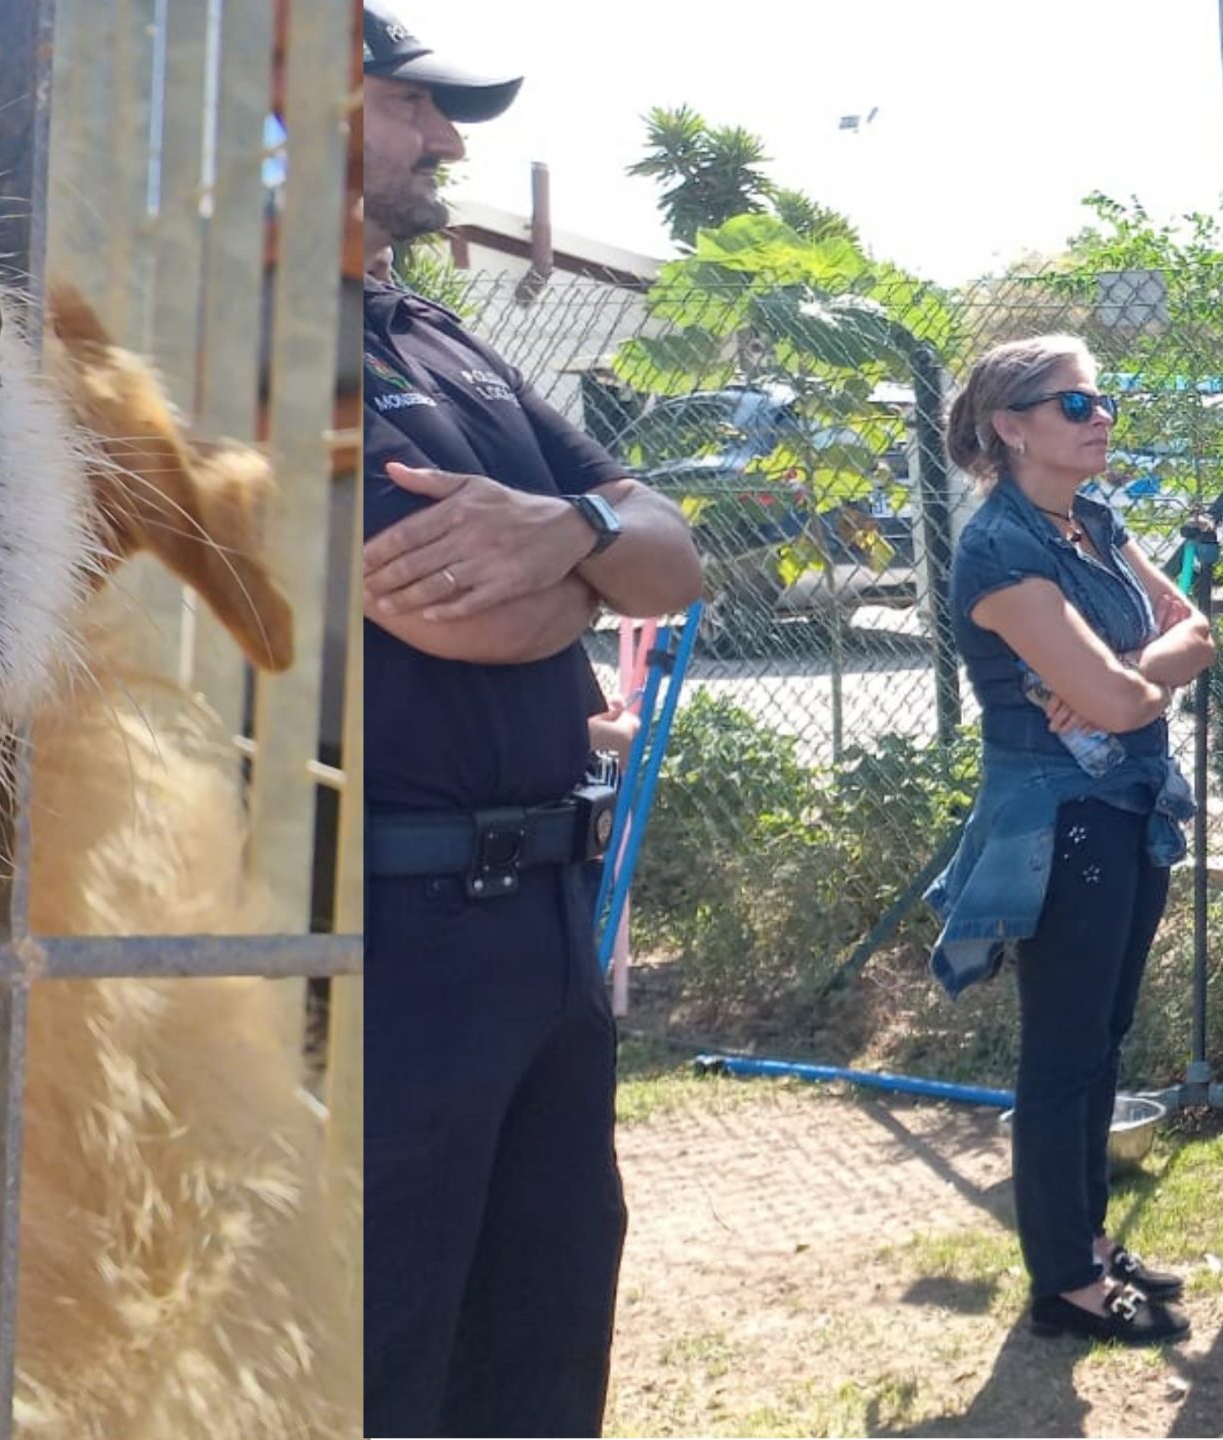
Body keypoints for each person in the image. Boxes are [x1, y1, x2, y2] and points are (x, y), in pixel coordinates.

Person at [358, 4, 705, 1434]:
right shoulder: (244, 329)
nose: (445, 140)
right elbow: (462, 612)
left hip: (547, 929)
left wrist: (557, 530)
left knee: (549, 1329)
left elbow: (671, 554)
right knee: (389, 1348)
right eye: (416, 107)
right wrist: (582, 558)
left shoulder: (438, 333)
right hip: (391, 941)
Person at [925, 334, 1213, 1346]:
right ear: (1010, 427)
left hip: (1130, 807)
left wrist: (1127, 670)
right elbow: (1120, 698)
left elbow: (1192, 634)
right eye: (1075, 406)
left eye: (1100, 402)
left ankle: (1086, 1244)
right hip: (1061, 824)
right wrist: (1124, 682)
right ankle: (1063, 1285)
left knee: (1101, 1041)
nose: (1100, 420)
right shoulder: (1000, 546)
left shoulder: (1092, 517)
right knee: (1062, 1053)